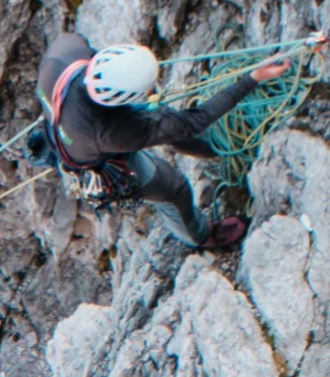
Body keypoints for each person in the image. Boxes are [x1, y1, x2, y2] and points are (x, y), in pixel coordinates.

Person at [32, 34, 298, 251]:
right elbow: (193, 121)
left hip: (67, 125)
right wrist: (252, 79)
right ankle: (200, 236)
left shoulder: (62, 54)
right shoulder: (116, 133)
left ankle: (203, 148)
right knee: (173, 190)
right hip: (99, 157)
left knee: (168, 126)